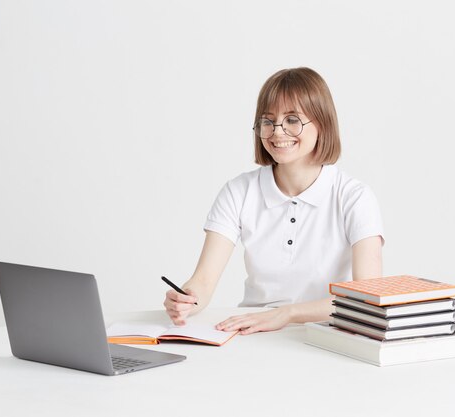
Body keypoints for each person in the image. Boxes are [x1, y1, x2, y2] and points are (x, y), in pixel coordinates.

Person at [163, 67, 384, 335]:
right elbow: (204, 281)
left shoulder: (354, 197)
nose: (277, 132)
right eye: (268, 121)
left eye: (292, 120)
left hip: (329, 335)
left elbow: (367, 296)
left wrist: (287, 314)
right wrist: (186, 300)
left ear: (322, 124)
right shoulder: (239, 191)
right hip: (252, 331)